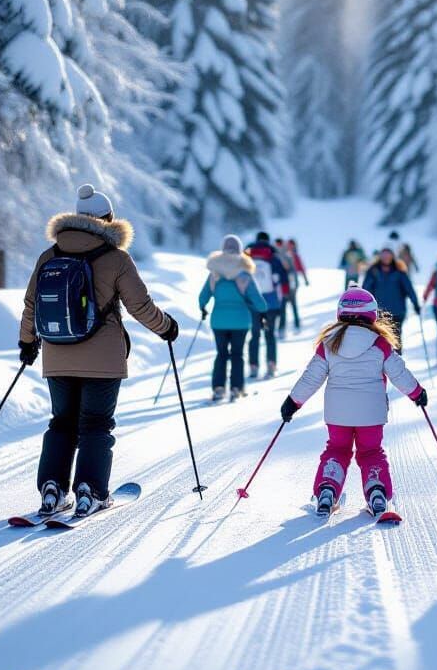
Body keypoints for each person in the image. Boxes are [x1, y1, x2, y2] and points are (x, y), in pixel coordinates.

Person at [18, 184, 177, 519]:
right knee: (96, 425)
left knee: (62, 422)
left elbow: (32, 304)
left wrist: (27, 342)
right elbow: (140, 306)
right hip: (103, 360)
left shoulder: (50, 256)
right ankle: (90, 490)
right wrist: (166, 327)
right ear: (107, 219)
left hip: (58, 355)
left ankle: (52, 489)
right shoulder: (116, 258)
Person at [280, 288, 428, 517]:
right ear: (372, 314)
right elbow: (399, 373)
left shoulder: (329, 343)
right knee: (371, 452)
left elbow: (311, 377)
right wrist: (416, 392)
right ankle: (376, 491)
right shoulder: (380, 344)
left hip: (338, 414)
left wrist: (293, 401)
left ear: (341, 313)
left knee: (337, 449)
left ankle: (327, 489)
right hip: (371, 414)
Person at [199, 234, 268, 402]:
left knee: (221, 354)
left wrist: (203, 308)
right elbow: (259, 301)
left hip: (219, 321)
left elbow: (203, 296)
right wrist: (263, 311)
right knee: (237, 354)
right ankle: (236, 388)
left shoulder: (214, 272)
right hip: (241, 321)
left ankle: (218, 388)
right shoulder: (244, 273)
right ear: (239, 249)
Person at [362, 247, 421, 353]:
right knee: (382, 339)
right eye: (383, 255)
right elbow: (366, 289)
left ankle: (397, 364)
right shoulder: (373, 271)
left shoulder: (399, 271)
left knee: (396, 338)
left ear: (392, 256)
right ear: (380, 256)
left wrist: (415, 304)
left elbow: (409, 289)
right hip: (379, 312)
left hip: (397, 311)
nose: (386, 257)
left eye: (388, 255)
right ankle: (383, 365)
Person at [246, 231, 288, 378]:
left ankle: (253, 366)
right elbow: (283, 282)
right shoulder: (273, 258)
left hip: (253, 303)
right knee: (270, 335)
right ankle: (271, 365)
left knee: (255, 335)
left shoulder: (247, 256)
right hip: (271, 304)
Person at [274, 238, 298, 337]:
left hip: (287, 286)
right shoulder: (277, 255)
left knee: (290, 306)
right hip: (283, 286)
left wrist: (293, 286)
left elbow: (292, 271)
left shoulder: (285, 255)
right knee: (283, 308)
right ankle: (282, 329)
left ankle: (294, 325)